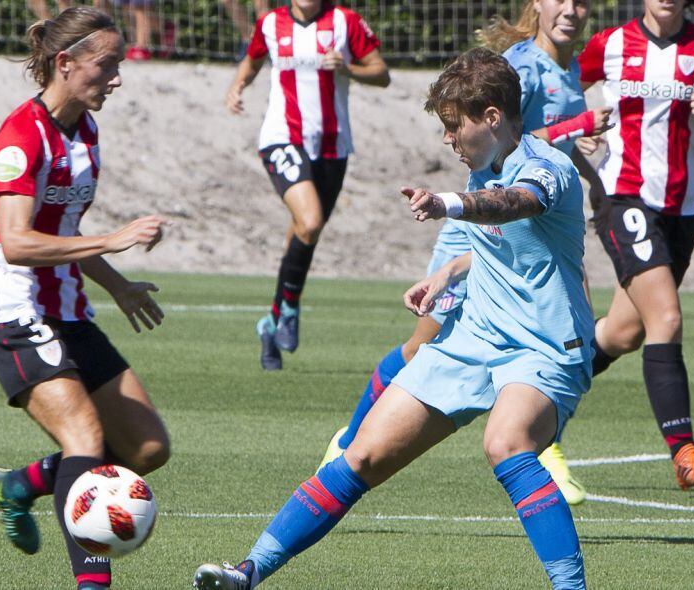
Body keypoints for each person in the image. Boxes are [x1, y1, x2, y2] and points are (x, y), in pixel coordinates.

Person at [194, 47, 593, 590]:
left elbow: (517, 204)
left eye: (454, 126)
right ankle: (249, 572)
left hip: (545, 348)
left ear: (492, 117)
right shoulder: (483, 168)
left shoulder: (548, 168)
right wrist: (449, 272)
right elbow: (508, 248)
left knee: (507, 441)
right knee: (362, 454)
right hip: (474, 338)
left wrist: (449, 205)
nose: (448, 140)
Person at [318, 0, 612, 506]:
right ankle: (349, 442)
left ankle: (544, 442)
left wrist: (592, 179)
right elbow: (518, 136)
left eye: (581, 0)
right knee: (421, 344)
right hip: (482, 218)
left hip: (530, 226)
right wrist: (577, 127)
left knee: (565, 320)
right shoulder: (521, 65)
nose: (571, 9)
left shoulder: (569, 70)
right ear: (537, 6)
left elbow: (543, 153)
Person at [0, 8, 171, 589]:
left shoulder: (84, 130)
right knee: (85, 441)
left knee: (147, 446)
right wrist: (114, 239)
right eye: (107, 64)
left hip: (69, 314)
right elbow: (14, 241)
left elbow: (63, 232)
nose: (116, 78)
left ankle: (24, 482)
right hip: (18, 315)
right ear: (66, 63)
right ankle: (93, 585)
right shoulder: (18, 138)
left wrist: (118, 284)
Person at [576, 0, 694, 490]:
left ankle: (540, 386)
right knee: (668, 318)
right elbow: (560, 91)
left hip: (685, 206)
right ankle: (685, 452)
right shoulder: (608, 45)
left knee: (621, 333)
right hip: (622, 194)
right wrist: (578, 129)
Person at [225, 0, 390, 371]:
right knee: (311, 220)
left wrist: (348, 67)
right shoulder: (270, 24)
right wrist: (237, 86)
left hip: (333, 147)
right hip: (281, 138)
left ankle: (271, 322)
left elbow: (382, 73)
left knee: (304, 231)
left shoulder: (345, 22)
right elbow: (252, 59)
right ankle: (291, 308)